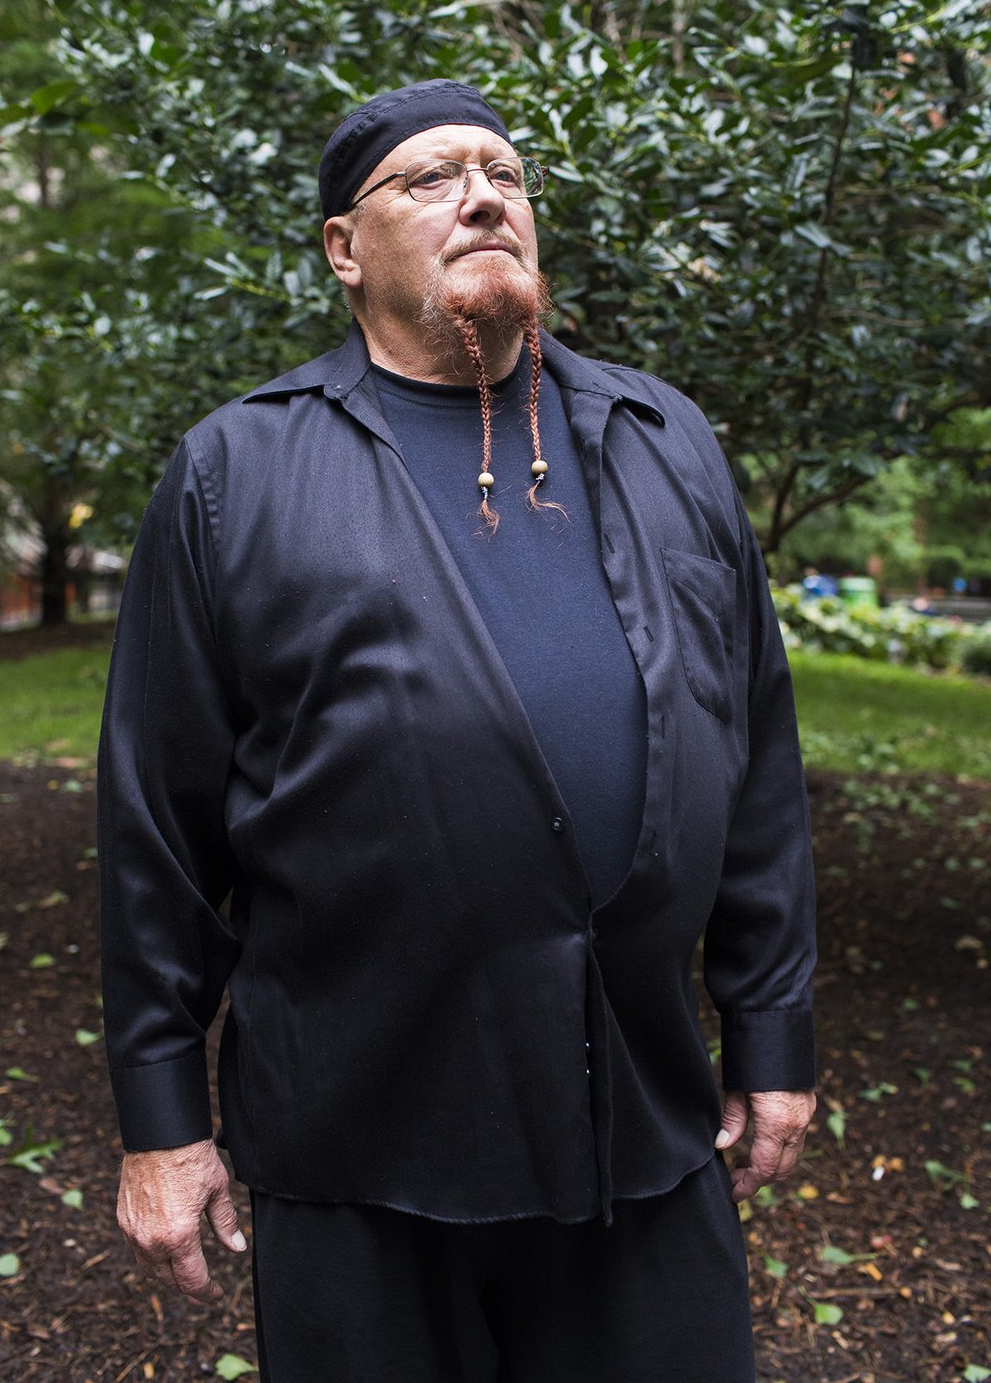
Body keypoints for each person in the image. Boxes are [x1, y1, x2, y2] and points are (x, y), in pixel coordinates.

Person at [99, 79, 817, 1382]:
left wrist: (771, 1032)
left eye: (504, 174)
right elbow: (158, 825)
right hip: (359, 1145)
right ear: (341, 249)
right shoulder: (236, 474)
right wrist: (161, 1121)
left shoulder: (667, 443)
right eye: (430, 178)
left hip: (643, 1126)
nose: (485, 194)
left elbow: (755, 756)